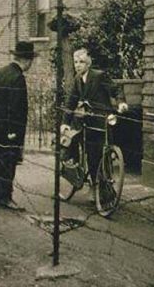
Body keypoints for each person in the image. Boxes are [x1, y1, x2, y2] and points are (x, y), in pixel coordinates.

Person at [61, 48, 128, 200]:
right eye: (76, 62)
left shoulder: (99, 76)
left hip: (101, 122)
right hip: (86, 122)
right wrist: (65, 122)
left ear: (89, 63)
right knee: (73, 144)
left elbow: (116, 89)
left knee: (99, 157)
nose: (78, 65)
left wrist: (121, 103)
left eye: (81, 62)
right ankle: (77, 176)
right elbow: (71, 101)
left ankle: (101, 190)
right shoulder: (78, 79)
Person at [0, 41, 37, 210]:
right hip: (7, 128)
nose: (30, 65)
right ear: (26, 61)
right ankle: (5, 197)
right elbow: (16, 107)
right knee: (8, 162)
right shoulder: (18, 78)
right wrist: (13, 131)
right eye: (31, 61)